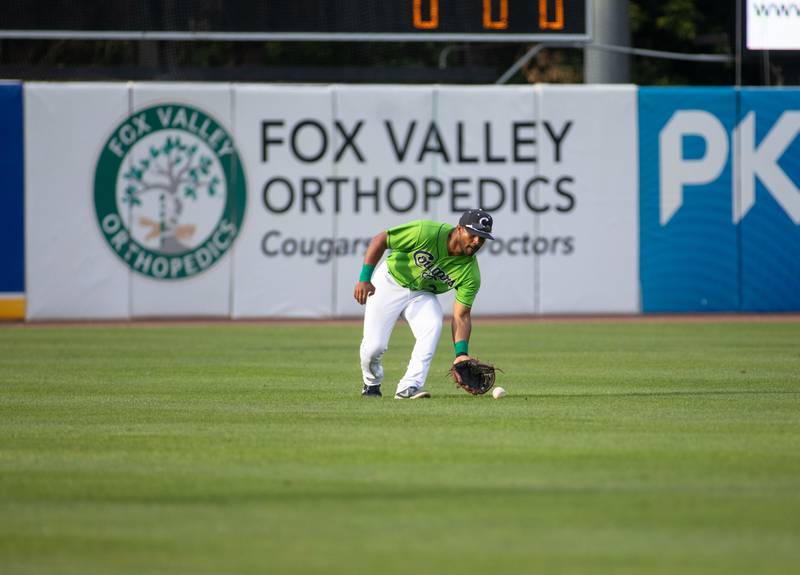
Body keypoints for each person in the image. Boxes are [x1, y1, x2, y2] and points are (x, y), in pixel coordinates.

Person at [354, 209, 494, 399]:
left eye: (483, 238)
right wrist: (364, 279)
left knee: (433, 326)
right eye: (474, 234)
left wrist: (461, 353)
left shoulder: (470, 274)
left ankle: (409, 386)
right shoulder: (426, 232)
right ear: (459, 229)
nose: (477, 241)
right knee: (374, 347)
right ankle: (371, 383)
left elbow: (462, 315)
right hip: (389, 281)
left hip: (422, 294)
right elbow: (381, 239)